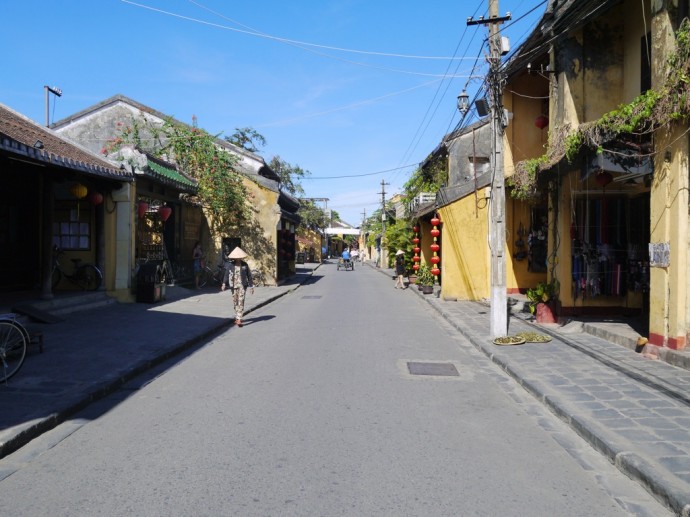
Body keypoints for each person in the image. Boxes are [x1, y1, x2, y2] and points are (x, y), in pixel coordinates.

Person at [221, 247, 254, 327]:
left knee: (241, 301)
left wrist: (251, 286)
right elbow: (226, 274)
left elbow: (249, 275)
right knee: (235, 301)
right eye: (237, 257)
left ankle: (239, 318)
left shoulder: (244, 265)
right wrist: (224, 284)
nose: (238, 258)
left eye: (240, 257)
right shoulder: (230, 265)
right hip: (233, 286)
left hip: (243, 286)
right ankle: (237, 316)